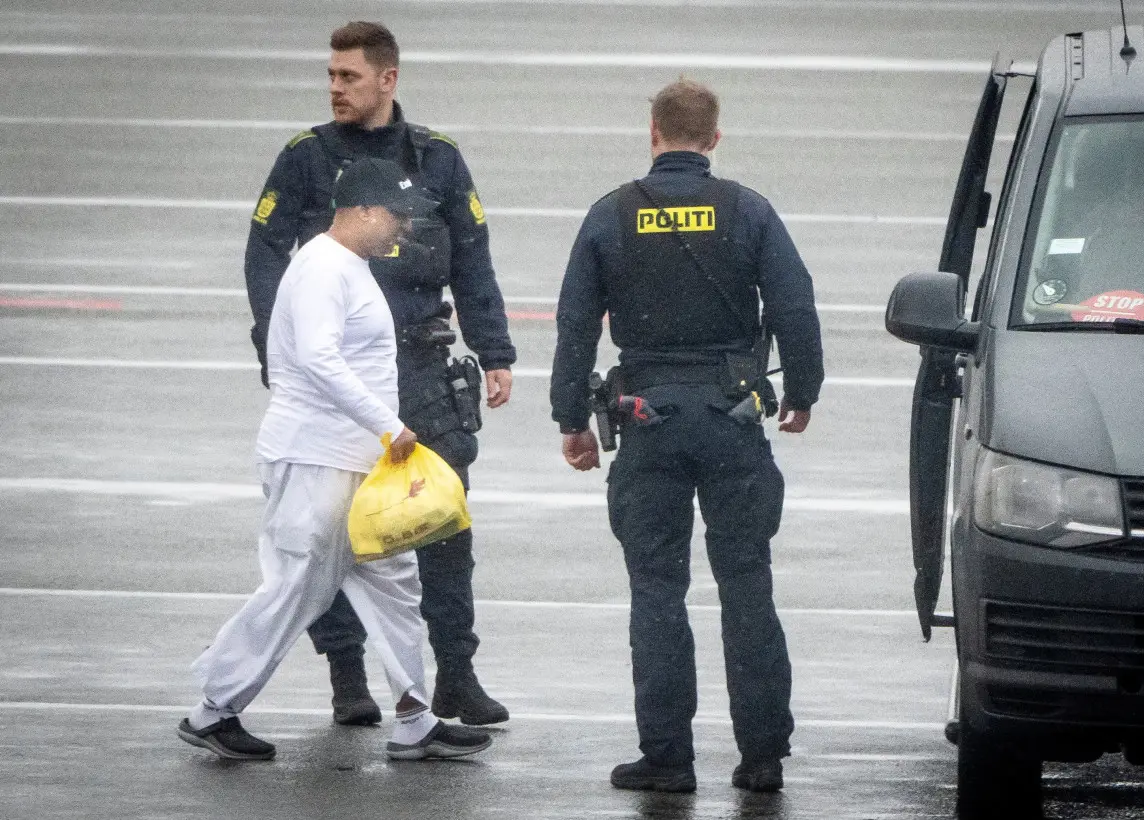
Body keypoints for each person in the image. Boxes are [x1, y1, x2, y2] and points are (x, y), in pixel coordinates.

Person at [549, 79, 825, 793]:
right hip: (732, 421)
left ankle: (667, 757)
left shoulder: (610, 215)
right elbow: (796, 305)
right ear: (713, 138)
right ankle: (761, 757)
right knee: (746, 584)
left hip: (648, 424)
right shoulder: (748, 210)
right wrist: (801, 393)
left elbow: (576, 323)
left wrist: (570, 419)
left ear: (653, 135)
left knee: (657, 591)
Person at [243, 21, 515, 727]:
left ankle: (455, 673)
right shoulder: (305, 158)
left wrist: (497, 353)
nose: (335, 88)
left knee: (441, 522)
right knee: (336, 532)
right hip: (342, 381)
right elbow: (265, 254)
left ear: (387, 79)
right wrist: (284, 353)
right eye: (331, 76)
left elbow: (473, 260)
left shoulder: (439, 159)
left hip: (423, 369)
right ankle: (347, 677)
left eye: (349, 77)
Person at [178, 157, 492, 762]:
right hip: (316, 460)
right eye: (397, 215)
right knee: (299, 585)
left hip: (353, 464)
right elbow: (320, 360)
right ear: (364, 210)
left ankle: (414, 717)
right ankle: (214, 707)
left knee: (394, 582)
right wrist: (390, 427)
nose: (405, 228)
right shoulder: (323, 267)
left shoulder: (348, 266)